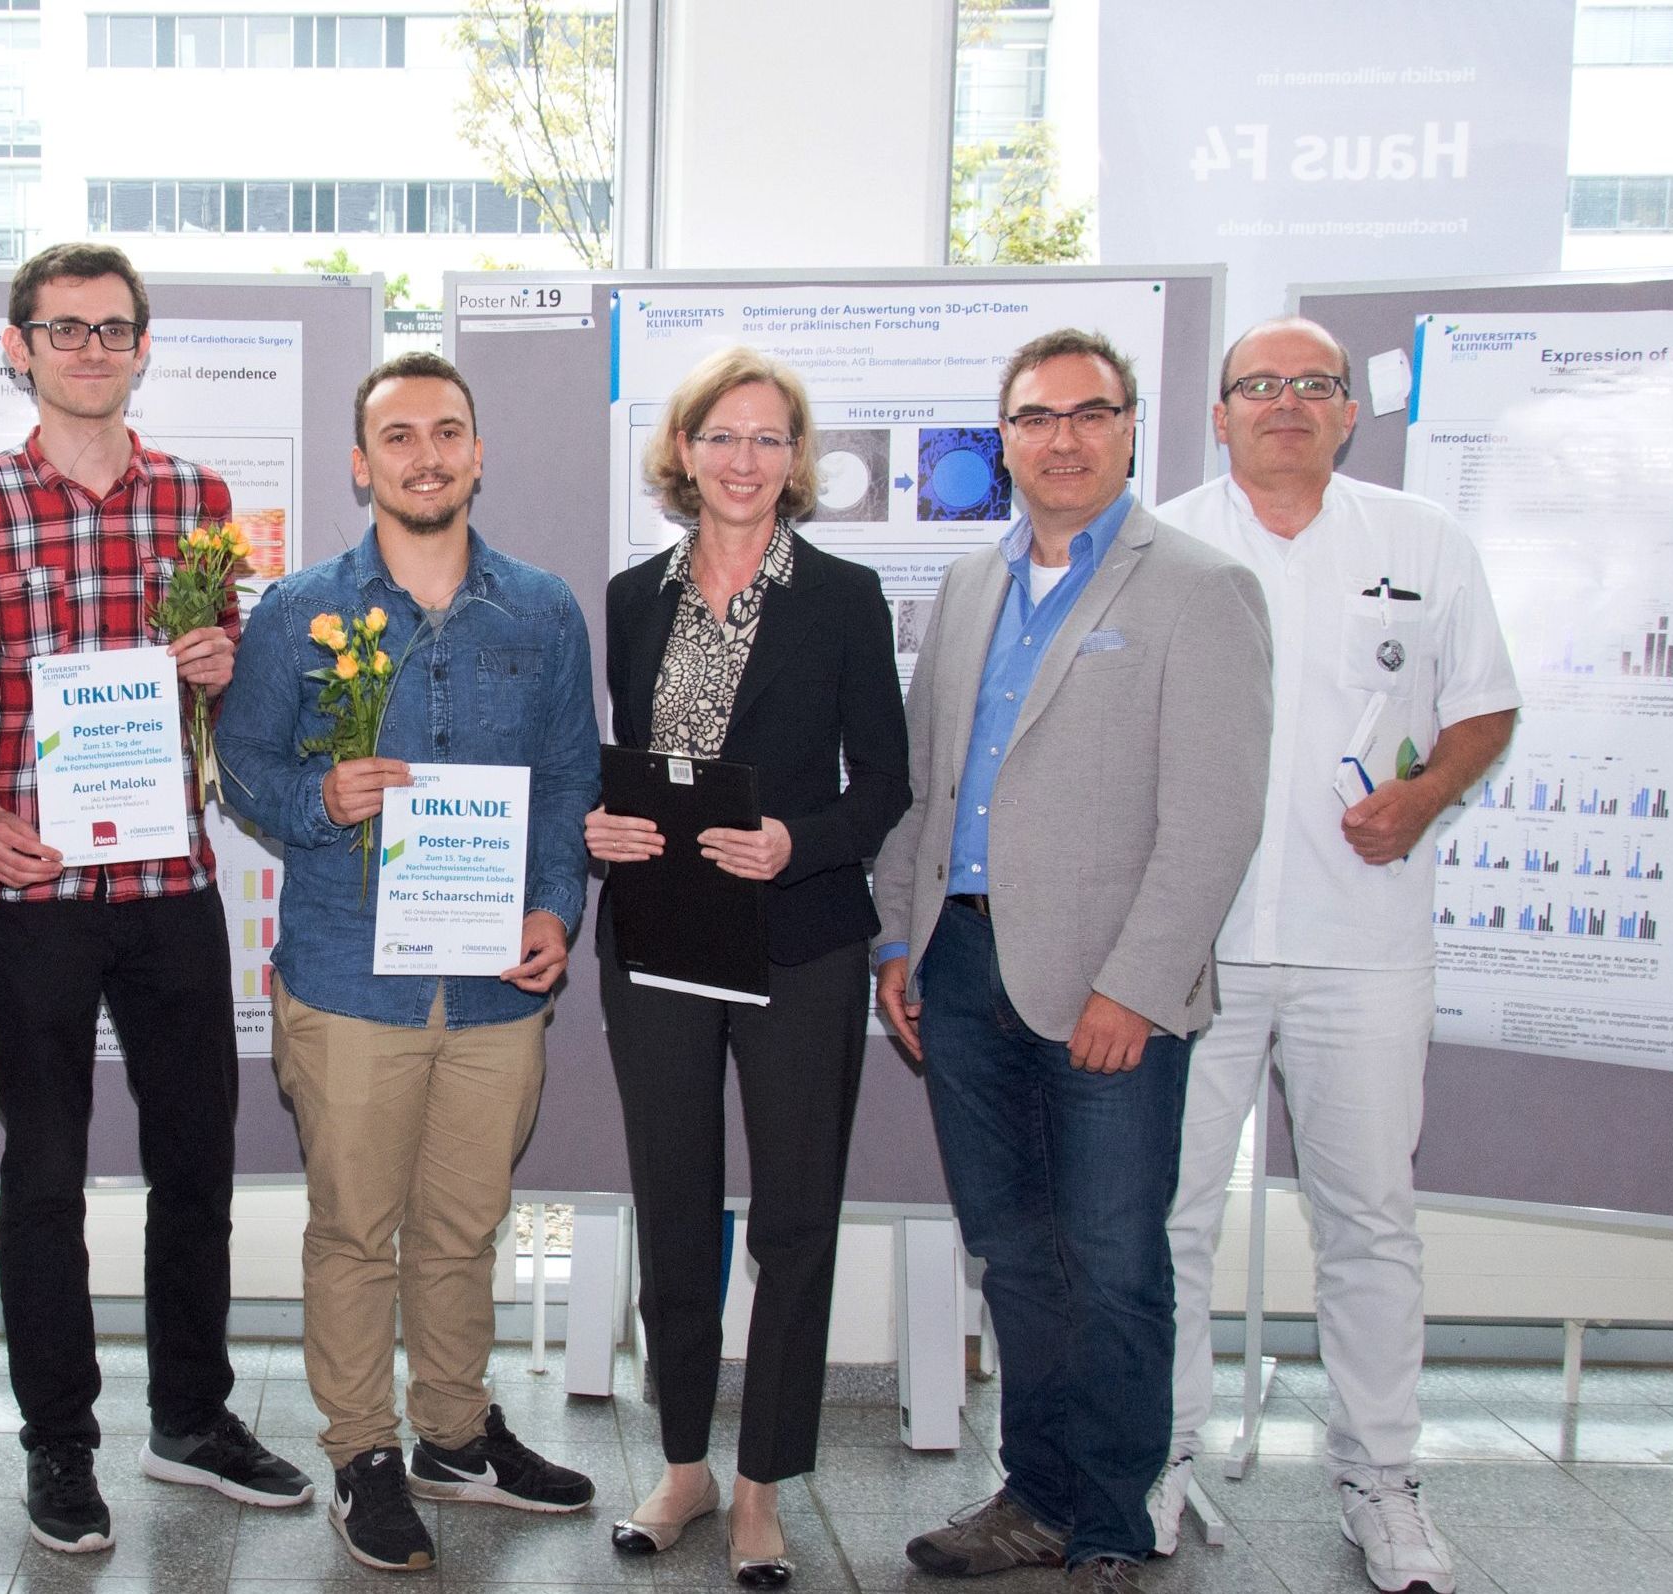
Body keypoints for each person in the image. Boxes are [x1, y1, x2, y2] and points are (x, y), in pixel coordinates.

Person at [0, 241, 310, 1554]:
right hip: (36, 893)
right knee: (45, 1177)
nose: (88, 348)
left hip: (170, 883)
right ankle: (58, 1444)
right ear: (16, 344)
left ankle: (189, 1418)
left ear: (143, 346)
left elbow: (227, 699)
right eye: (62, 328)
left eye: (111, 328)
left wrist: (221, 659)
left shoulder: (198, 497)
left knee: (196, 1163)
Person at [872, 330, 1273, 1593]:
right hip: (965, 967)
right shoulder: (972, 584)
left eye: (1089, 413)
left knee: (1113, 1258)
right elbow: (924, 785)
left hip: (1110, 988)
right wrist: (900, 935)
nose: (1063, 437)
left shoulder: (1199, 588)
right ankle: (1035, 1493)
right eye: (1036, 417)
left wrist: (1139, 986)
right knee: (1014, 1246)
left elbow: (1217, 815)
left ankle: (1111, 1514)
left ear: (1133, 428)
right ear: (1005, 440)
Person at [215, 351, 601, 1575]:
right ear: (360, 461)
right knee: (353, 1230)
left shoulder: (541, 610)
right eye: (399, 437)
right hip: (348, 978)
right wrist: (320, 794)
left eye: (447, 433)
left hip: (495, 985)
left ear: (478, 454)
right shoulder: (295, 614)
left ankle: (454, 1436)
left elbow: (566, 785)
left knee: (465, 1225)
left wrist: (555, 911)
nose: (425, 455)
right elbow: (244, 771)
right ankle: (362, 1451)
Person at [1149, 318, 1518, 1594]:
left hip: (1366, 942)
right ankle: (1163, 1456)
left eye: (1315, 386)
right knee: (1169, 1217)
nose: (1287, 404)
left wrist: (1425, 800)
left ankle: (1381, 1480)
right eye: (1260, 386)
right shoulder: (1165, 539)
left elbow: (1484, 704)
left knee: (1370, 1219)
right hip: (1193, 942)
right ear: (1220, 413)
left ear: (1350, 412)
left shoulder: (1422, 541)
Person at [584, 346, 910, 1588]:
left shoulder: (842, 596)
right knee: (673, 1206)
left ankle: (766, 1480)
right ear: (684, 453)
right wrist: (597, 834)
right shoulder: (631, 597)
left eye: (769, 438)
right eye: (722, 435)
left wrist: (796, 841)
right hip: (659, 940)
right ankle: (681, 1464)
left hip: (800, 941)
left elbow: (883, 782)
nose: (743, 458)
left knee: (793, 1218)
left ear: (797, 461)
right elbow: (627, 773)